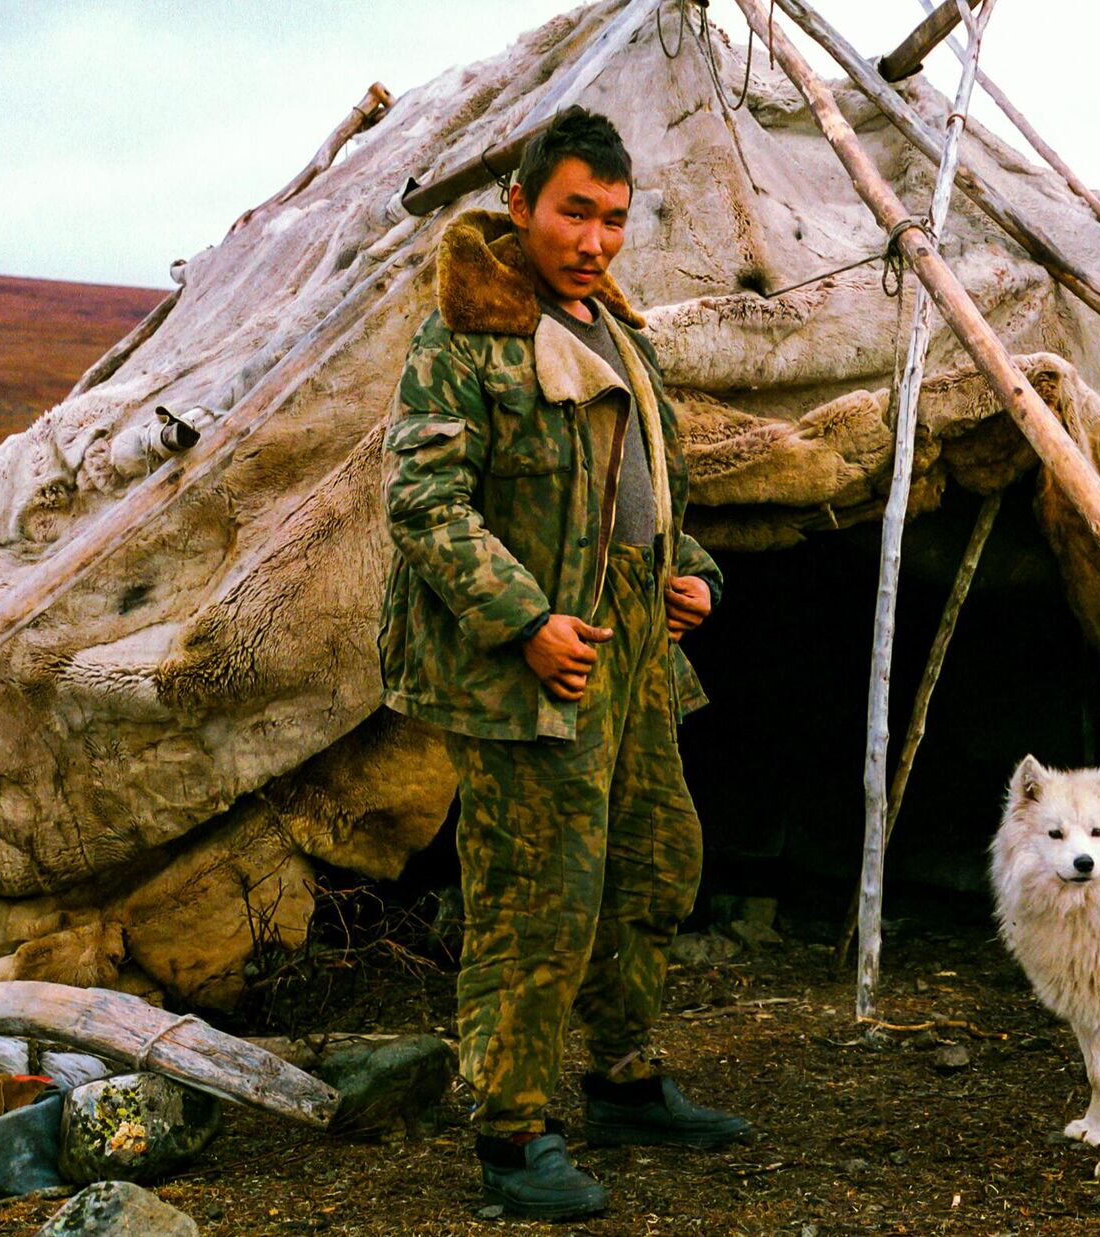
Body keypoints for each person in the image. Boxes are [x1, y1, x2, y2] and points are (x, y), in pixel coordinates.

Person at [378, 106, 745, 1222]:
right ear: (522, 206)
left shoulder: (617, 331)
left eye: (614, 219)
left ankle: (624, 1080)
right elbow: (423, 502)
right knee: (536, 894)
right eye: (574, 213)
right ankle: (511, 1133)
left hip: (631, 645)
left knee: (651, 863)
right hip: (530, 659)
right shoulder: (463, 339)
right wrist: (526, 620)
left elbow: (651, 491)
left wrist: (690, 574)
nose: (595, 240)